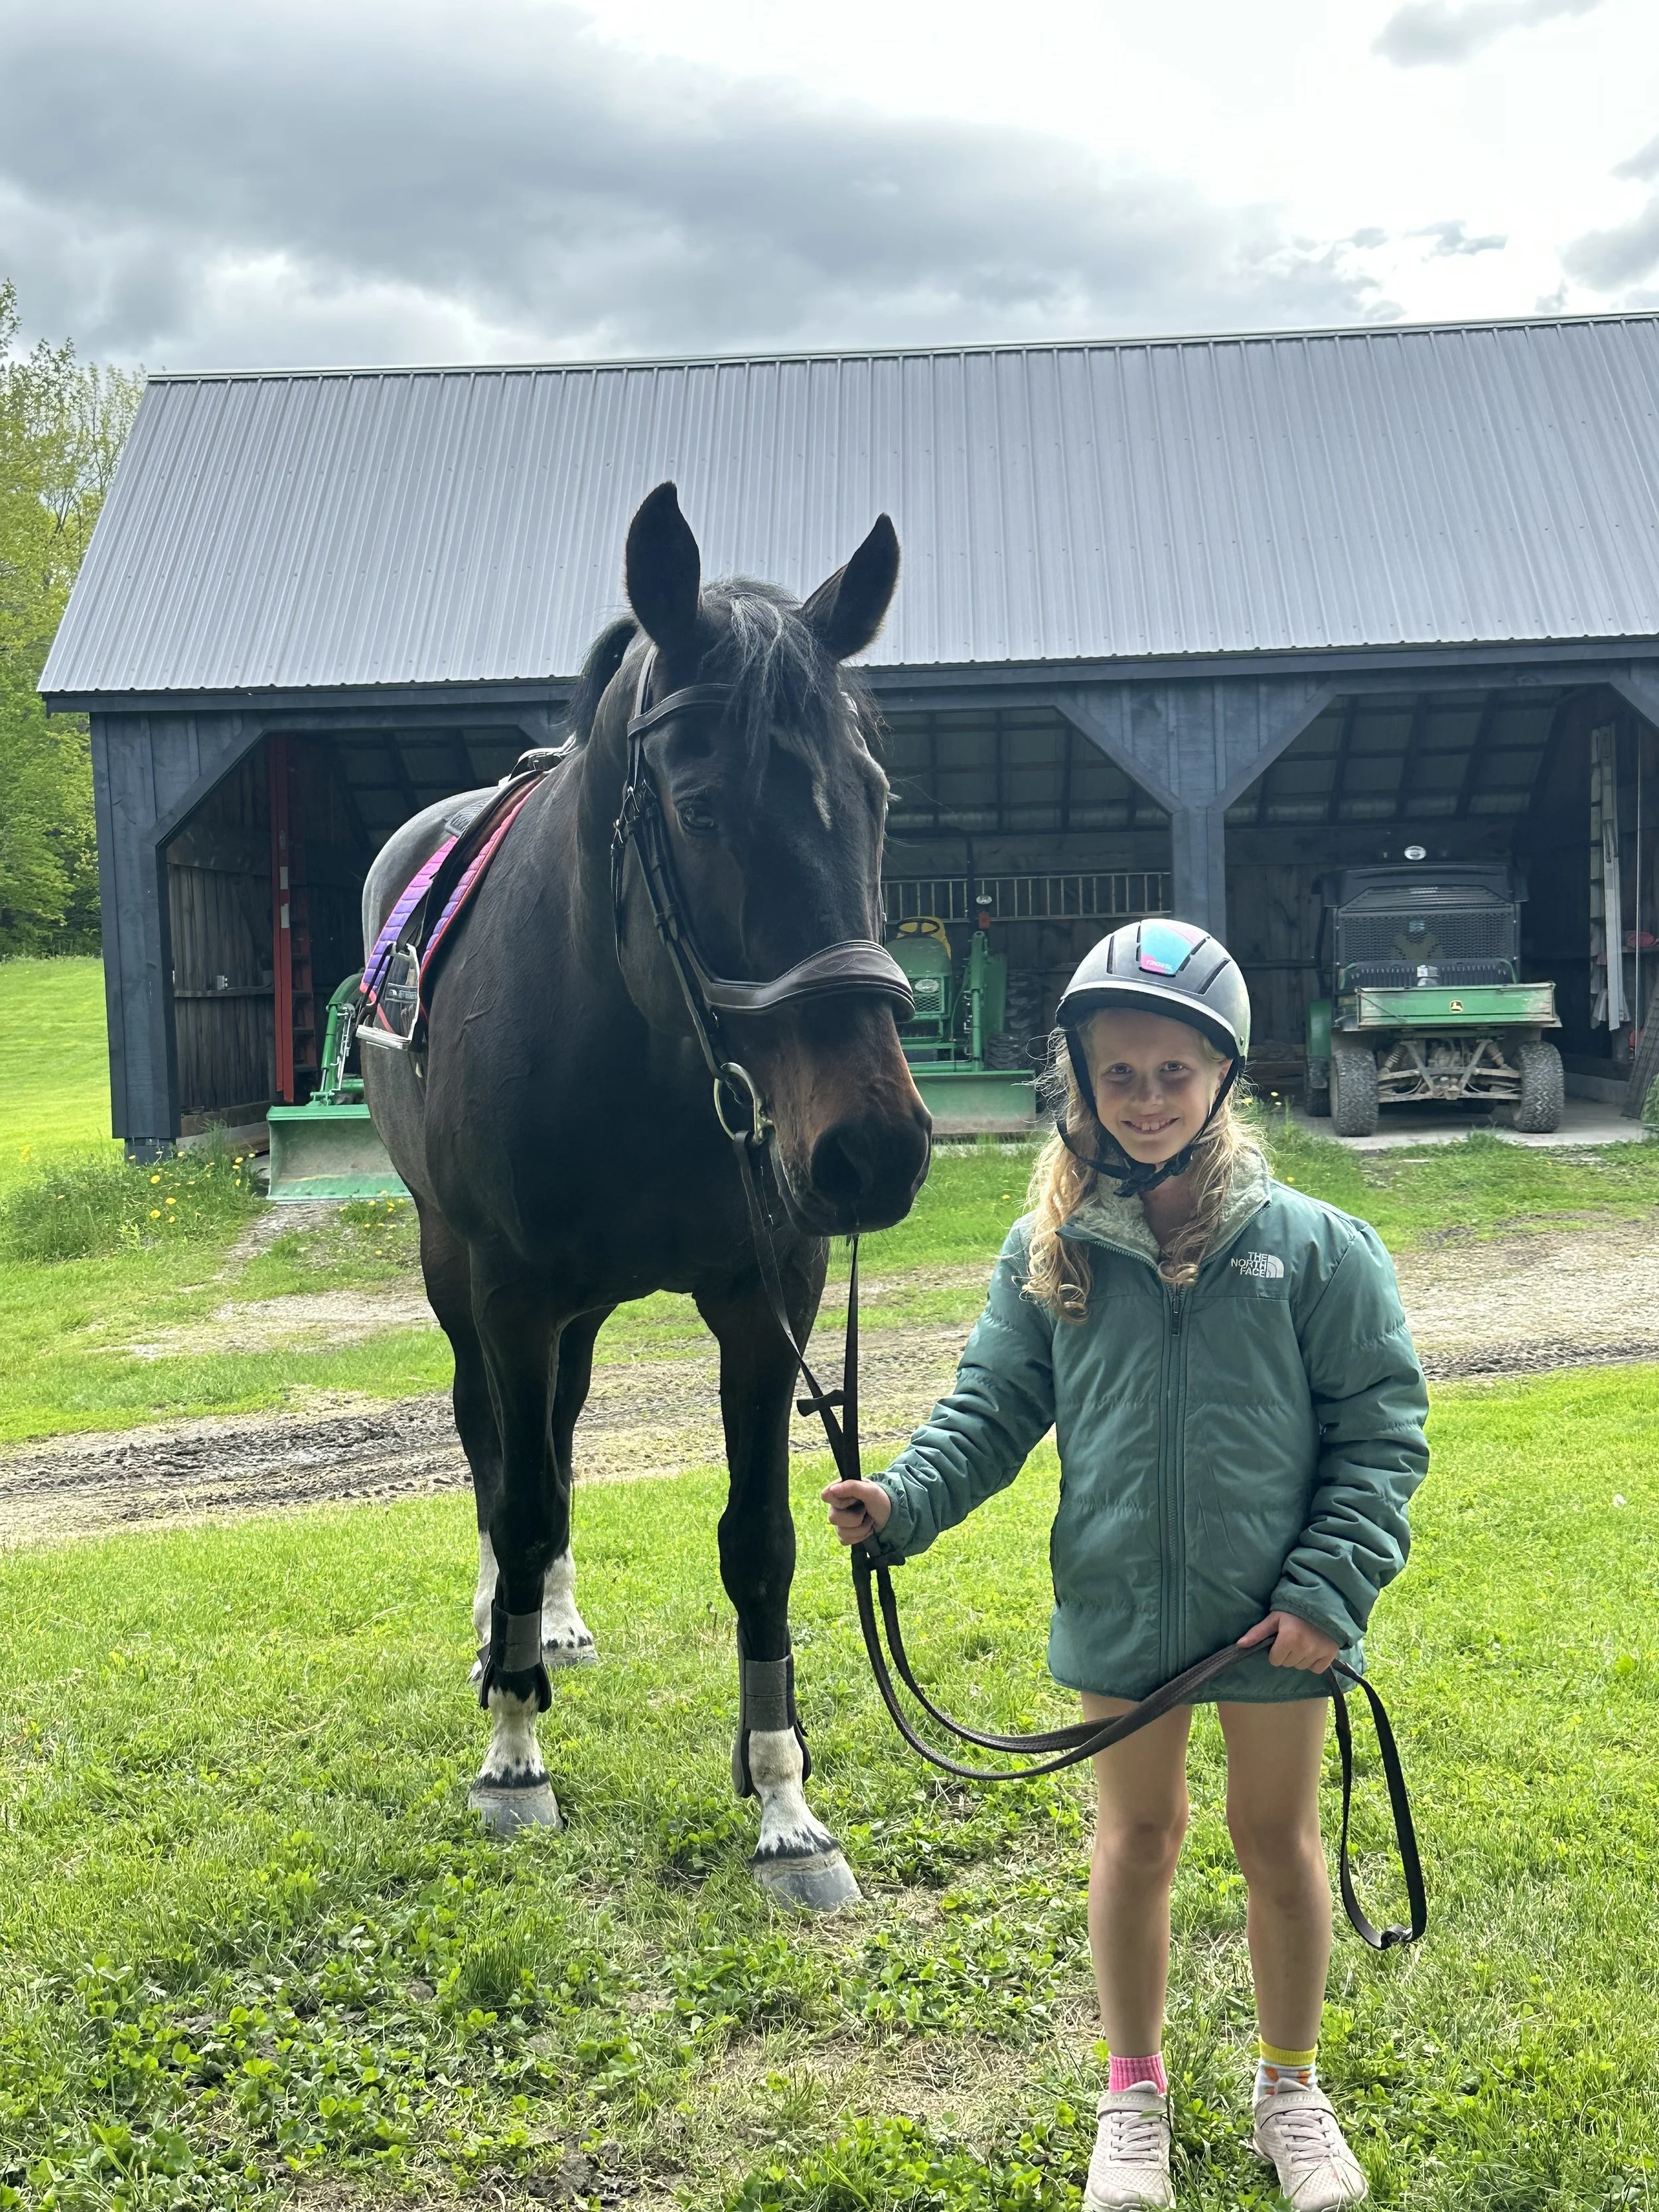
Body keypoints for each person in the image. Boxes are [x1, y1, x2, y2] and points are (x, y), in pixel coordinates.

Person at [824, 919, 1428, 2212]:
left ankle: (1287, 2088)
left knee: (1276, 1841)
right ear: (1080, 1086)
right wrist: (902, 1500)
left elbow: (1380, 1433)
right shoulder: (1049, 1250)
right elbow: (986, 1409)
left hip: (1273, 1624)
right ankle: (1131, 2091)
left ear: (1221, 1078)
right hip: (1115, 1601)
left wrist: (1325, 1591)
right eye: (1119, 1074)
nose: (1146, 1099)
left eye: (1172, 1071)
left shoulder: (1314, 1248)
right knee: (1133, 1839)